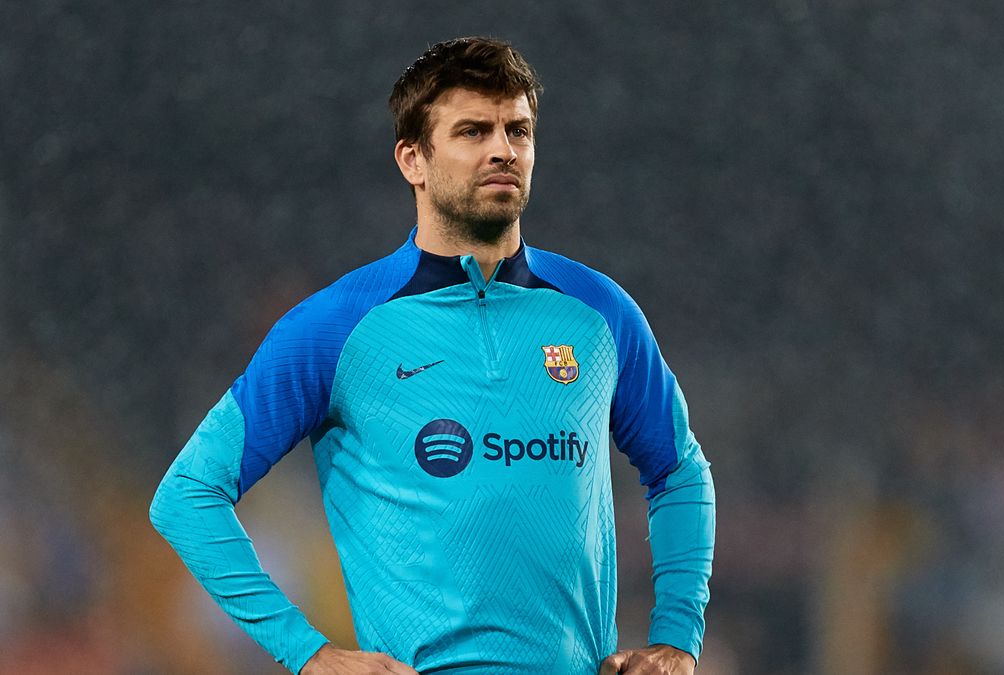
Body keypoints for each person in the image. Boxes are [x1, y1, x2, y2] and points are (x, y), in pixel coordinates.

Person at [150, 36, 715, 675]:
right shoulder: (337, 326)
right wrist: (310, 655)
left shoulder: (599, 311)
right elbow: (189, 494)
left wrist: (676, 638)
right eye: (473, 131)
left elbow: (679, 472)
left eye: (519, 130)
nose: (504, 149)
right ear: (413, 160)